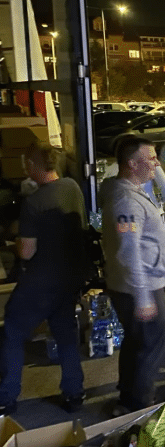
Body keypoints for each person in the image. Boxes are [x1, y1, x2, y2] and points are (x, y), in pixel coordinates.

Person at [0, 143, 87, 415]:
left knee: (12, 332)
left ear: (37, 167)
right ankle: (74, 394)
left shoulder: (34, 203)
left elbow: (26, 252)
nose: (26, 170)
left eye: (28, 165)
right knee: (65, 336)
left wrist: (13, 242)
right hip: (68, 279)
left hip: (39, 283)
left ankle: (6, 396)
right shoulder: (72, 188)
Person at [100, 136, 165, 413]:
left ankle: (127, 396)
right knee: (152, 346)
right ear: (132, 164)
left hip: (134, 284)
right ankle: (141, 407)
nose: (156, 163)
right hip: (140, 287)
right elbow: (129, 252)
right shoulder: (126, 202)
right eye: (151, 158)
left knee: (135, 342)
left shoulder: (130, 191)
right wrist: (144, 297)